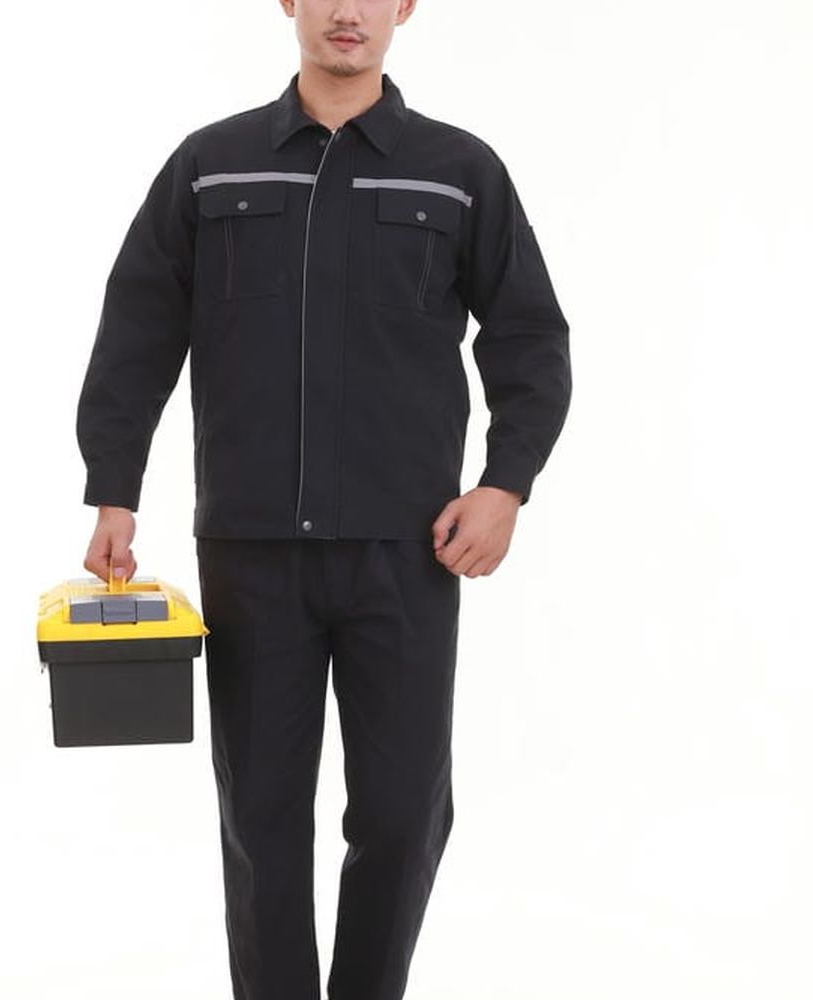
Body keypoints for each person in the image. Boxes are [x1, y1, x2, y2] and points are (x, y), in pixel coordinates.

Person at [75, 1, 572, 997]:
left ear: (405, 8)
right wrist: (114, 488)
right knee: (259, 821)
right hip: (251, 552)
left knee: (402, 812)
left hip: (408, 550)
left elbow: (529, 338)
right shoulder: (210, 166)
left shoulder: (458, 169)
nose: (348, 11)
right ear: (289, 1)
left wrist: (505, 482)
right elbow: (138, 327)